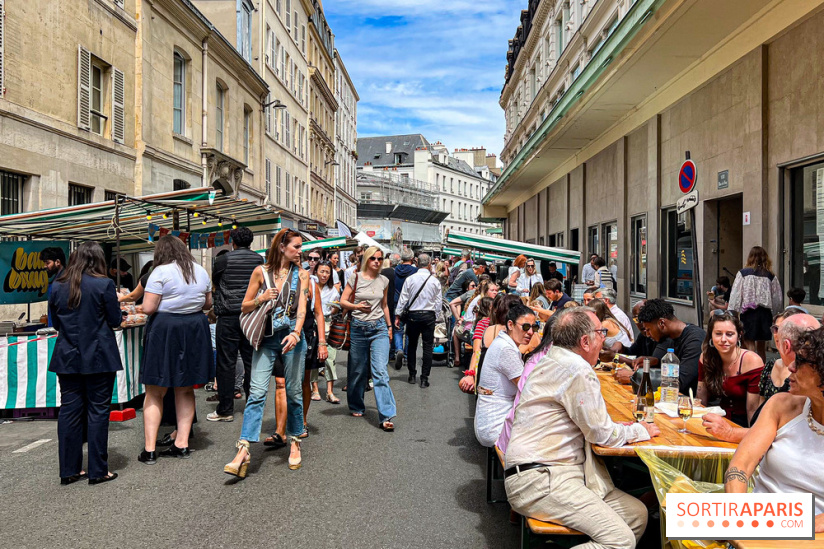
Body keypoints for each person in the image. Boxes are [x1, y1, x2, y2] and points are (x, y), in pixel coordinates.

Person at [504, 308, 659, 547]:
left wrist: (617, 428)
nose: (604, 339)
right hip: (542, 479)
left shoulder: (556, 358)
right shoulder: (577, 369)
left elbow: (595, 426)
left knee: (636, 514)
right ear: (585, 341)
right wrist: (641, 430)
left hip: (550, 473)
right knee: (620, 540)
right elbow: (601, 434)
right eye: (601, 333)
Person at [224, 228, 309, 477]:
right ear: (282, 247)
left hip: (293, 338)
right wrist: (261, 298)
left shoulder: (301, 275)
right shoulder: (261, 272)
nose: (300, 251)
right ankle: (244, 449)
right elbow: (244, 306)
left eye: (301, 247)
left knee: (293, 391)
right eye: (296, 246)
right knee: (257, 393)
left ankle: (294, 442)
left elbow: (302, 308)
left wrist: (296, 333)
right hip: (266, 338)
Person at [724, 326, 824, 530]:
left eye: (802, 361)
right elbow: (741, 465)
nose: (792, 367)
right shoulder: (782, 405)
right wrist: (738, 512)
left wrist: (803, 526)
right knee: (676, 518)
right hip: (756, 521)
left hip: (809, 536)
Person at [49, 242, 122, 485]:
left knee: (69, 410)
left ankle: (69, 470)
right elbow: (115, 320)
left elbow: (56, 323)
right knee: (98, 410)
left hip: (67, 354)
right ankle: (98, 470)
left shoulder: (58, 285)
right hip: (99, 355)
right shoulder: (104, 284)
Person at [138, 235, 212, 464]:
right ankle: (182, 443)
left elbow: (149, 308)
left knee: (155, 390)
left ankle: (150, 450)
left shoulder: (159, 272)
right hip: (194, 328)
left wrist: (137, 306)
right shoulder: (200, 270)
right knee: (185, 387)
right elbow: (208, 304)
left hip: (166, 329)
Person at [702, 312, 820, 442]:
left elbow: (794, 429)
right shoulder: (770, 367)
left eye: (784, 330)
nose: (776, 334)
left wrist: (731, 433)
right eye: (775, 328)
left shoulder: (811, 377)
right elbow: (758, 417)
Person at [207, 227, 264, 422]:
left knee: (226, 363)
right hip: (252, 315)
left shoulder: (223, 260)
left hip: (228, 315)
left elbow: (216, 281)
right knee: (251, 362)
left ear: (233, 242)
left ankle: (225, 409)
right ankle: (252, 403)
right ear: (251, 241)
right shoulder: (259, 260)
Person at [340, 246, 397, 431]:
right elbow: (343, 301)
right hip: (358, 328)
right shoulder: (355, 277)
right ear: (366, 259)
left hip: (378, 328)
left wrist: (389, 327)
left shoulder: (384, 280)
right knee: (357, 370)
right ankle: (356, 404)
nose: (377, 262)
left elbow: (385, 305)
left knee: (380, 371)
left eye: (380, 259)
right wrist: (356, 307)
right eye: (373, 258)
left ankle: (386, 415)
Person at [474, 303, 536, 447]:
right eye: (526, 327)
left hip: (492, 419)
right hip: (495, 426)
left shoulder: (504, 343)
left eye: (534, 327)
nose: (531, 332)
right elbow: (528, 388)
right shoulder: (505, 349)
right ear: (510, 324)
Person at [697, 311, 764, 427]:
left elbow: (753, 410)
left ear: (739, 335)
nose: (723, 339)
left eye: (729, 334)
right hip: (717, 419)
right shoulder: (706, 357)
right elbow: (701, 397)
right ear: (711, 336)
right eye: (718, 334)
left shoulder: (752, 361)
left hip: (744, 423)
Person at [636, 298, 705, 396]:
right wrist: (655, 361)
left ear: (661, 323)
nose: (647, 334)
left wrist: (638, 377)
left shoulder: (695, 340)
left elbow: (681, 380)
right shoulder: (670, 337)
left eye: (648, 330)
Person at [728, 246, 783, 360]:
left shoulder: (743, 274)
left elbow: (736, 294)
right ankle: (761, 370)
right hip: (764, 313)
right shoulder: (770, 276)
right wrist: (776, 314)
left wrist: (733, 311)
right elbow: (777, 297)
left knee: (749, 343)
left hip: (749, 313)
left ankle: (752, 368)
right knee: (761, 346)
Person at [395, 254, 442, 387]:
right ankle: (424, 378)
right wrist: (436, 316)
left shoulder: (410, 279)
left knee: (412, 345)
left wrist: (397, 315)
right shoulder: (434, 281)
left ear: (417, 263)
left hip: (413, 315)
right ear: (429, 264)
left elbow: (403, 299)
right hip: (428, 315)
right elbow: (438, 302)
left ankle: (411, 374)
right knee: (427, 347)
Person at [606, 300, 673, 385]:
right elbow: (631, 352)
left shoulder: (666, 338)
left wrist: (616, 357)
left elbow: (651, 365)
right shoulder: (643, 336)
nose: (642, 323)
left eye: (644, 319)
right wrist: (621, 346)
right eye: (637, 319)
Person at [301, 258, 329, 429]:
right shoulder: (278, 279)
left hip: (306, 334)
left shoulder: (311, 284)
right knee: (283, 383)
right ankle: (281, 426)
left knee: (304, 381)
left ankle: (302, 420)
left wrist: (322, 343)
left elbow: (319, 314)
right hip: (283, 335)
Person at [313, 261, 341, 403]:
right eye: (322, 271)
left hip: (328, 322)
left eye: (327, 272)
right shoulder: (310, 285)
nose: (324, 275)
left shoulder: (333, 290)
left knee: (330, 358)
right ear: (316, 271)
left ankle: (330, 392)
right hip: (313, 324)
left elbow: (336, 307)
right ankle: (315, 388)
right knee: (313, 358)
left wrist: (334, 308)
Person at [393, 248, 418, 368]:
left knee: (398, 329)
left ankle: (398, 349)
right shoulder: (415, 271)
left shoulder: (395, 270)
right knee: (410, 332)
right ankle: (407, 356)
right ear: (412, 258)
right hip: (411, 305)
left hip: (397, 303)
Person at [42, 246, 67, 327]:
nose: (45, 266)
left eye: (48, 263)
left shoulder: (64, 281)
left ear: (58, 262)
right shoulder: (57, 279)